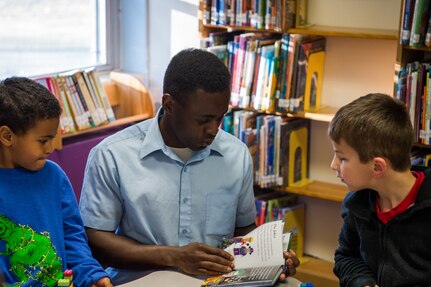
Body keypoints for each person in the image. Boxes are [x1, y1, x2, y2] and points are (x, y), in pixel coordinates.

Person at [79, 48, 299, 285]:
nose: (214, 130)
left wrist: (271, 258)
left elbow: (243, 232)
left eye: (220, 117)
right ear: (169, 104)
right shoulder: (112, 155)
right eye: (203, 120)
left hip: (218, 281)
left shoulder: (236, 154)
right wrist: (173, 256)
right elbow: (95, 240)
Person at [0, 77, 112, 287]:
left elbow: (72, 236)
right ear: (7, 136)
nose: (50, 148)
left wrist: (92, 275)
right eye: (43, 140)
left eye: (53, 138)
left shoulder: (54, 176)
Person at [328, 93, 431, 287]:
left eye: (342, 158)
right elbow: (347, 257)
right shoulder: (356, 205)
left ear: (377, 167)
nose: (333, 165)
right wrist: (363, 283)